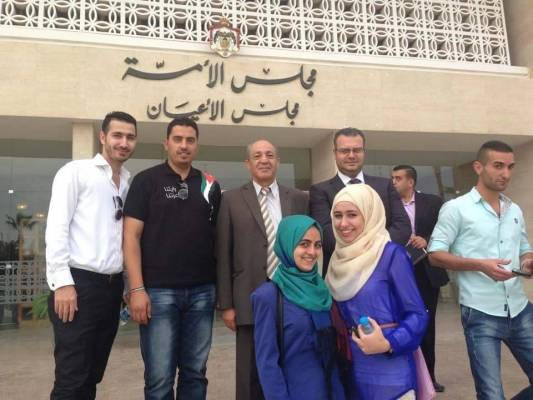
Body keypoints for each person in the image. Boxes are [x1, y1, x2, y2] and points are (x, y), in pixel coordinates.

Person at [123, 117, 221, 400]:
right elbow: (130, 237)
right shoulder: (146, 181)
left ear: (197, 145)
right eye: (177, 139)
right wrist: (136, 289)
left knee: (195, 373)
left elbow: (217, 237)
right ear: (166, 143)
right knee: (159, 378)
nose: (184, 145)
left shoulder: (209, 185)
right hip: (158, 294)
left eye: (190, 140)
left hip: (202, 292)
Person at [428, 140, 533, 400]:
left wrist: (527, 262)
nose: (505, 173)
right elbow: (435, 254)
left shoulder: (514, 209)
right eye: (498, 166)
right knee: (491, 394)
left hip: (521, 309)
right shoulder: (456, 209)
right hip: (480, 312)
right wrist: (480, 265)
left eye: (510, 167)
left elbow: (524, 248)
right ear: (478, 167)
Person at [46, 111, 138, 399]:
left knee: (92, 375)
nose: (123, 142)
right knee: (71, 378)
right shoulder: (76, 172)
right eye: (117, 135)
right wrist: (62, 283)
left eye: (130, 137)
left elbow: (120, 239)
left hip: (110, 289)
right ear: (102, 137)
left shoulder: (126, 182)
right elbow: (57, 227)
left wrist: (126, 285)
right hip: (78, 286)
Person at [216, 139, 309, 400]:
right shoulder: (231, 199)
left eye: (270, 155)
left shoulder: (298, 198)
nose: (264, 160)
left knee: (293, 364)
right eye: (257, 156)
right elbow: (223, 253)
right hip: (248, 299)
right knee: (250, 372)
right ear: (248, 163)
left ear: (278, 161)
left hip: (293, 296)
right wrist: (227, 305)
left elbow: (309, 248)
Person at [326, 184, 428, 399]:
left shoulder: (391, 255)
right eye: (337, 215)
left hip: (391, 373)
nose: (343, 224)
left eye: (352, 215)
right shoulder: (336, 261)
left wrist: (389, 343)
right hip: (350, 372)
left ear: (370, 214)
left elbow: (417, 315)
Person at [251, 215, 345, 400]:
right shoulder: (268, 296)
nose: (312, 252)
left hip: (333, 390)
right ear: (287, 244)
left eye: (317, 245)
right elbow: (267, 363)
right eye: (304, 244)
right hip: (296, 392)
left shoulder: (322, 289)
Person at [310, 127, 411, 275]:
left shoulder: (385, 186)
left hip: (383, 268)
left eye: (357, 150)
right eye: (345, 151)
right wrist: (363, 255)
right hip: (342, 272)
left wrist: (378, 253)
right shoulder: (320, 191)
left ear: (364, 152)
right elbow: (325, 233)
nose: (351, 155)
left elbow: (402, 226)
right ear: (335, 153)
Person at [391, 164, 448, 393]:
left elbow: (446, 230)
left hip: (426, 272)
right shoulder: (388, 205)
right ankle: (407, 377)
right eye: (392, 178)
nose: (393, 182)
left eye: (397, 178)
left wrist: (427, 239)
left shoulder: (433, 202)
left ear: (411, 182)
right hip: (398, 272)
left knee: (426, 325)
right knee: (401, 324)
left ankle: (429, 377)